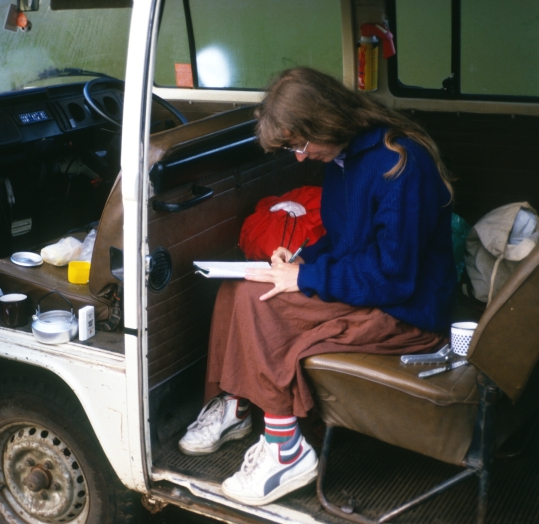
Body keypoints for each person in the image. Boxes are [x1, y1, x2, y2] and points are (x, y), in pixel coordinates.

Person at [178, 67, 457, 506]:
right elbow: (344, 238)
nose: (300, 157)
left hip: (406, 314)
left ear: (326, 122)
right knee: (248, 280)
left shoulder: (399, 165)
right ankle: (234, 402)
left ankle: (286, 449)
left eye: (300, 144)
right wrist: (303, 258)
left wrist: (306, 278)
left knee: (259, 300)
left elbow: (394, 277)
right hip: (371, 291)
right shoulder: (344, 159)